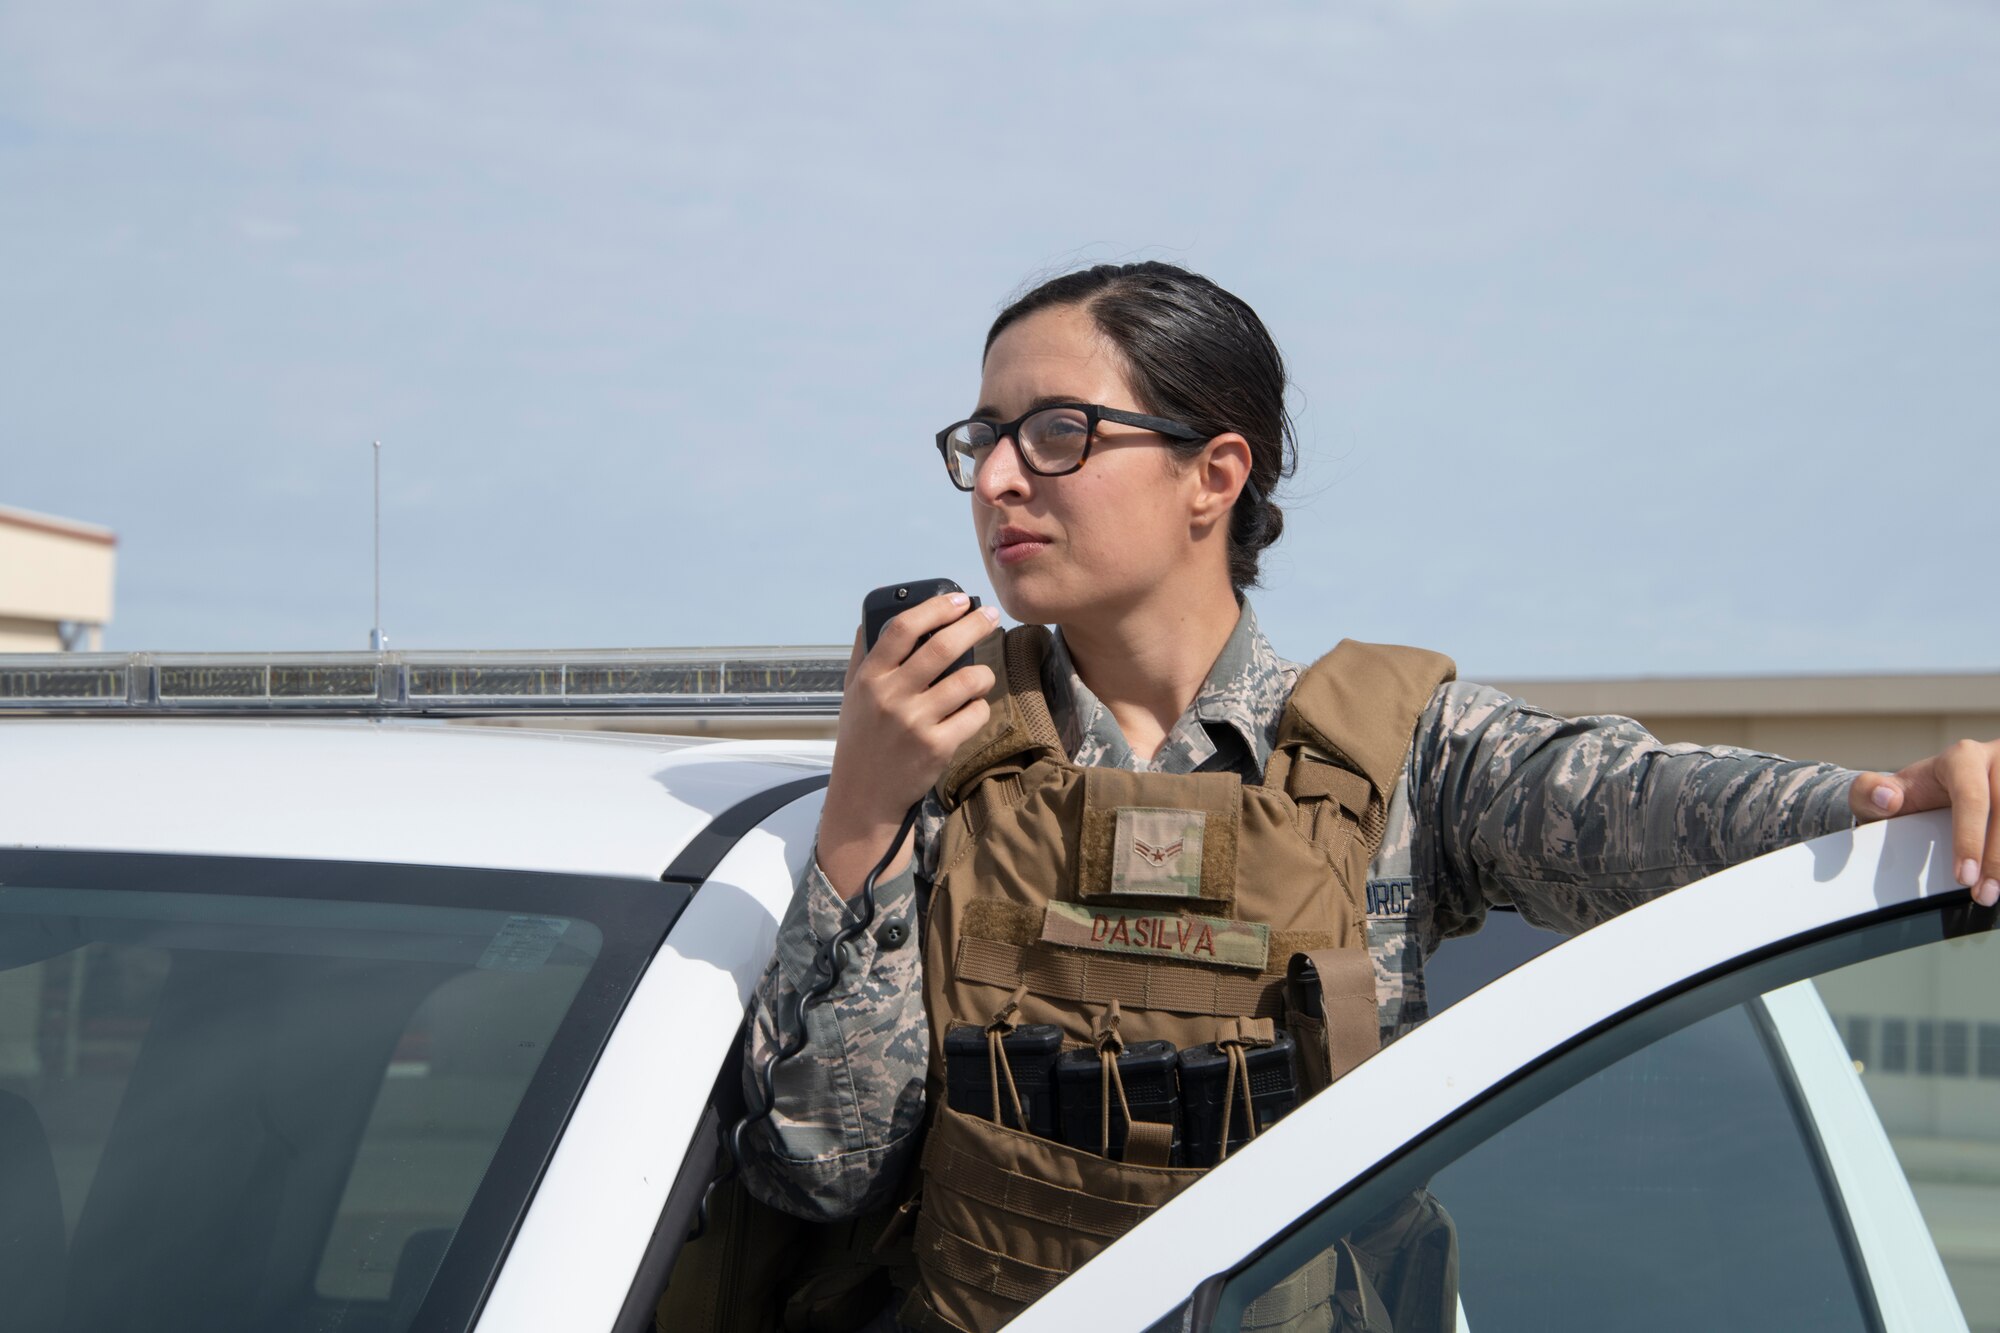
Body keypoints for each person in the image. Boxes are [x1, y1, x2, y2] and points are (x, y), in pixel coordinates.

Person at [733, 262, 2000, 1332]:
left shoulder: (1397, 755)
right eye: (982, 438)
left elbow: (1653, 812)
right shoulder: (933, 741)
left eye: (1054, 433)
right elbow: (819, 1164)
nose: (998, 479)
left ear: (1211, 473)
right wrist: (862, 814)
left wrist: (1885, 801)